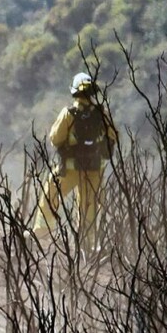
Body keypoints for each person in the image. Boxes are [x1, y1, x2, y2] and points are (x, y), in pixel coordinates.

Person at [33, 72, 117, 245]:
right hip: (95, 168)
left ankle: (42, 232)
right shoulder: (102, 113)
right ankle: (88, 244)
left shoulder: (68, 113)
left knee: (51, 193)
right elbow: (114, 136)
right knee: (89, 206)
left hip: (70, 168)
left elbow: (55, 139)